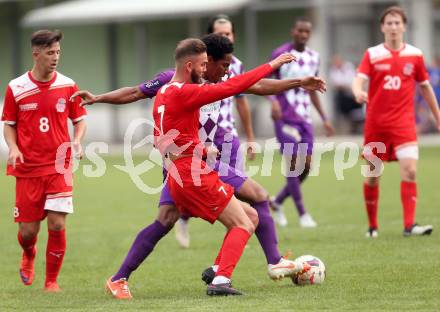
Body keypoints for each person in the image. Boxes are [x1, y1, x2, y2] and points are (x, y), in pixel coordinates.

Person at [72, 34, 324, 299]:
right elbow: (135, 92)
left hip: (201, 161)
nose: (225, 70)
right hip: (190, 166)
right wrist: (100, 98)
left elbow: (257, 86)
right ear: (202, 62)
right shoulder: (177, 84)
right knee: (188, 219)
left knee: (255, 200)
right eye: (220, 64)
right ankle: (232, 273)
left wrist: (297, 82)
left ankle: (257, 264)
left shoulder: (199, 84)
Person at [1, 30, 87, 292]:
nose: (55, 58)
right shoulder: (16, 88)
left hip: (59, 165)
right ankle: (28, 254)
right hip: (27, 169)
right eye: (50, 53)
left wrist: (77, 141)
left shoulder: (68, 85)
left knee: (57, 223)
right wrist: (13, 148)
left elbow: (79, 119)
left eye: (58, 52)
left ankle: (51, 281)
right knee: (28, 233)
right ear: (36, 54)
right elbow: (8, 125)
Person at [352, 6, 440, 238]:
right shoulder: (372, 54)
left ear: (404, 26)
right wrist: (358, 92)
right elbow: (359, 80)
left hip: (404, 124)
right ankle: (372, 227)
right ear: (382, 27)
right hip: (376, 125)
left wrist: (437, 117)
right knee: (372, 176)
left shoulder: (415, 55)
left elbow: (425, 87)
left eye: (397, 23)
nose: (393, 27)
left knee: (410, 171)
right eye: (388, 23)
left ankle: (409, 226)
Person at [174, 14, 257, 248]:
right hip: (201, 137)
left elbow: (243, 99)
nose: (225, 36)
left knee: (242, 190)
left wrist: (250, 136)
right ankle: (183, 217)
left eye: (228, 33)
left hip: (227, 135)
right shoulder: (195, 72)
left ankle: (239, 232)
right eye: (220, 34)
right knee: (195, 187)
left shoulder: (236, 65)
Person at [268, 17, 334, 228]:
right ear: (293, 31)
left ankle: (277, 202)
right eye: (300, 31)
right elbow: (265, 82)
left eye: (307, 31)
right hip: (284, 116)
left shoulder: (315, 57)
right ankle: (303, 214)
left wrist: (324, 118)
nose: (303, 34)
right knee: (293, 163)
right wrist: (273, 102)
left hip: (304, 119)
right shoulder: (281, 54)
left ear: (310, 34)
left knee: (306, 167)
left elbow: (313, 89)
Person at [329, 54, 363, 134]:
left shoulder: (349, 67)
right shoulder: (334, 70)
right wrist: (346, 85)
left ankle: (356, 126)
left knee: (357, 110)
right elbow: (336, 84)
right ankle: (352, 126)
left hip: (353, 92)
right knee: (346, 109)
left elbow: (353, 80)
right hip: (343, 95)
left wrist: (346, 85)